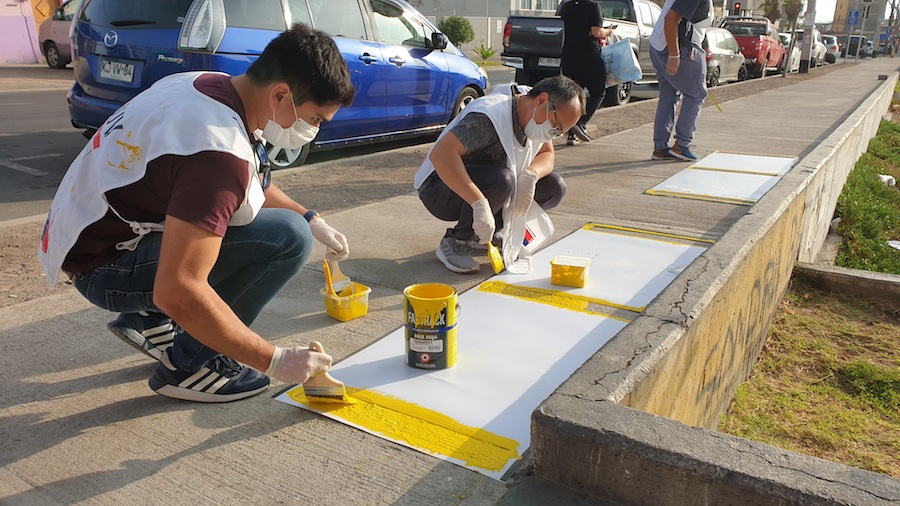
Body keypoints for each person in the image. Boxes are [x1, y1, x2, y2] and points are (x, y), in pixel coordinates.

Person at [37, 24, 356, 403]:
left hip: (86, 235)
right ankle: (189, 367)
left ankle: (147, 318)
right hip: (103, 268)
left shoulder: (207, 85)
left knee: (292, 226)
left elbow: (251, 178)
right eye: (315, 119)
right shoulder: (217, 155)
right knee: (287, 239)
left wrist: (310, 217)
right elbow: (178, 288)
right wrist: (274, 360)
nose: (313, 131)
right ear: (280, 95)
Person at [414, 76, 584, 274]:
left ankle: (495, 231)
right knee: (503, 179)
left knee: (554, 187)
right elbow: (442, 155)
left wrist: (531, 175)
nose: (555, 134)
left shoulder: (535, 112)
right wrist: (478, 203)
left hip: (491, 181)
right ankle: (457, 240)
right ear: (541, 101)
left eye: (560, 132)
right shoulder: (490, 116)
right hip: (440, 188)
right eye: (556, 127)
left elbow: (547, 154)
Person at [649, 0, 713, 162]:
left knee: (669, 95)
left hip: (659, 46)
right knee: (696, 95)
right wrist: (674, 55)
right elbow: (671, 19)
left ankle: (660, 147)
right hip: (680, 48)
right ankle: (681, 144)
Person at [556, 0, 615, 146]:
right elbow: (596, 32)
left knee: (573, 94)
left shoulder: (567, 6)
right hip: (589, 56)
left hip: (569, 56)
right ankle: (581, 123)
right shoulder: (593, 6)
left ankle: (571, 132)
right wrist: (608, 31)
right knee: (598, 92)